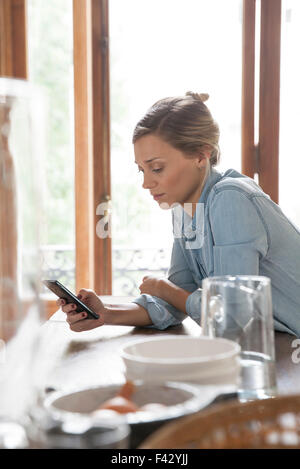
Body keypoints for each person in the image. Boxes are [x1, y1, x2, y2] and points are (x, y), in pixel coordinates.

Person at [58, 92, 300, 337]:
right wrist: (106, 313)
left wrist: (164, 289)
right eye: (141, 170)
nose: (146, 183)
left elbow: (232, 316)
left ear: (200, 155)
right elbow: (177, 299)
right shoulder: (184, 212)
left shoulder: (231, 198)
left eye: (157, 168)